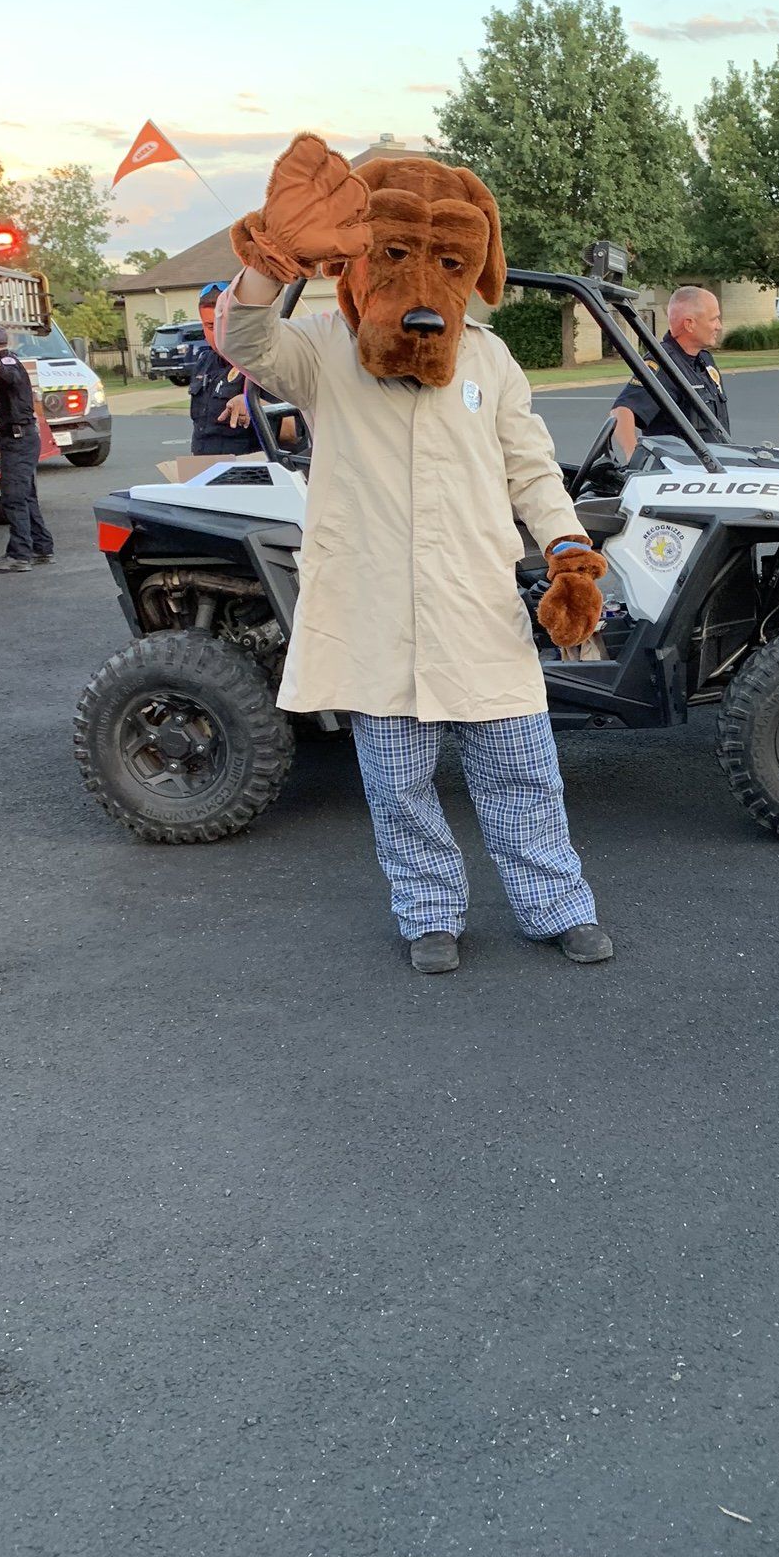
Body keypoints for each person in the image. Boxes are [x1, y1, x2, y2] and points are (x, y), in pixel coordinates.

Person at [220, 132, 612, 975]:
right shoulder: (325, 349)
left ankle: (555, 906)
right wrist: (273, 260)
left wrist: (568, 547)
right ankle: (429, 911)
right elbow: (245, 340)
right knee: (399, 785)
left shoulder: (490, 358)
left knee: (524, 769)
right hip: (373, 612)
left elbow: (530, 465)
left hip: (476, 606)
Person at [610, 286, 729, 459]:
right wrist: (633, 456)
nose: (719, 326)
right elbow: (621, 412)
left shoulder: (704, 360)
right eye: (714, 319)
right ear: (689, 324)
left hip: (712, 470)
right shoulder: (663, 363)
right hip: (683, 476)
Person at [0, 323, 54, 573]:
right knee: (26, 496)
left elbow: (12, 379)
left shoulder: (7, 363)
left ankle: (19, 555)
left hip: (19, 439)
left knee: (14, 498)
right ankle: (41, 547)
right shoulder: (9, 360)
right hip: (17, 437)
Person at [188, 281, 257, 457]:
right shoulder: (204, 363)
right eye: (210, 326)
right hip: (204, 472)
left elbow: (292, 431)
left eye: (224, 323)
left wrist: (253, 404)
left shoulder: (261, 362)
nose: (218, 332)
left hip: (249, 474)